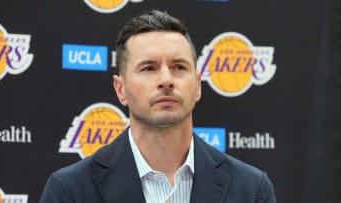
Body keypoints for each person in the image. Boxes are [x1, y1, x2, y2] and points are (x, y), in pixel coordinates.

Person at [40, 9, 277, 203]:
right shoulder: (70, 191)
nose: (166, 80)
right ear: (120, 89)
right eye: (149, 68)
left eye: (179, 67)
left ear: (197, 85)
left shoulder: (252, 190)